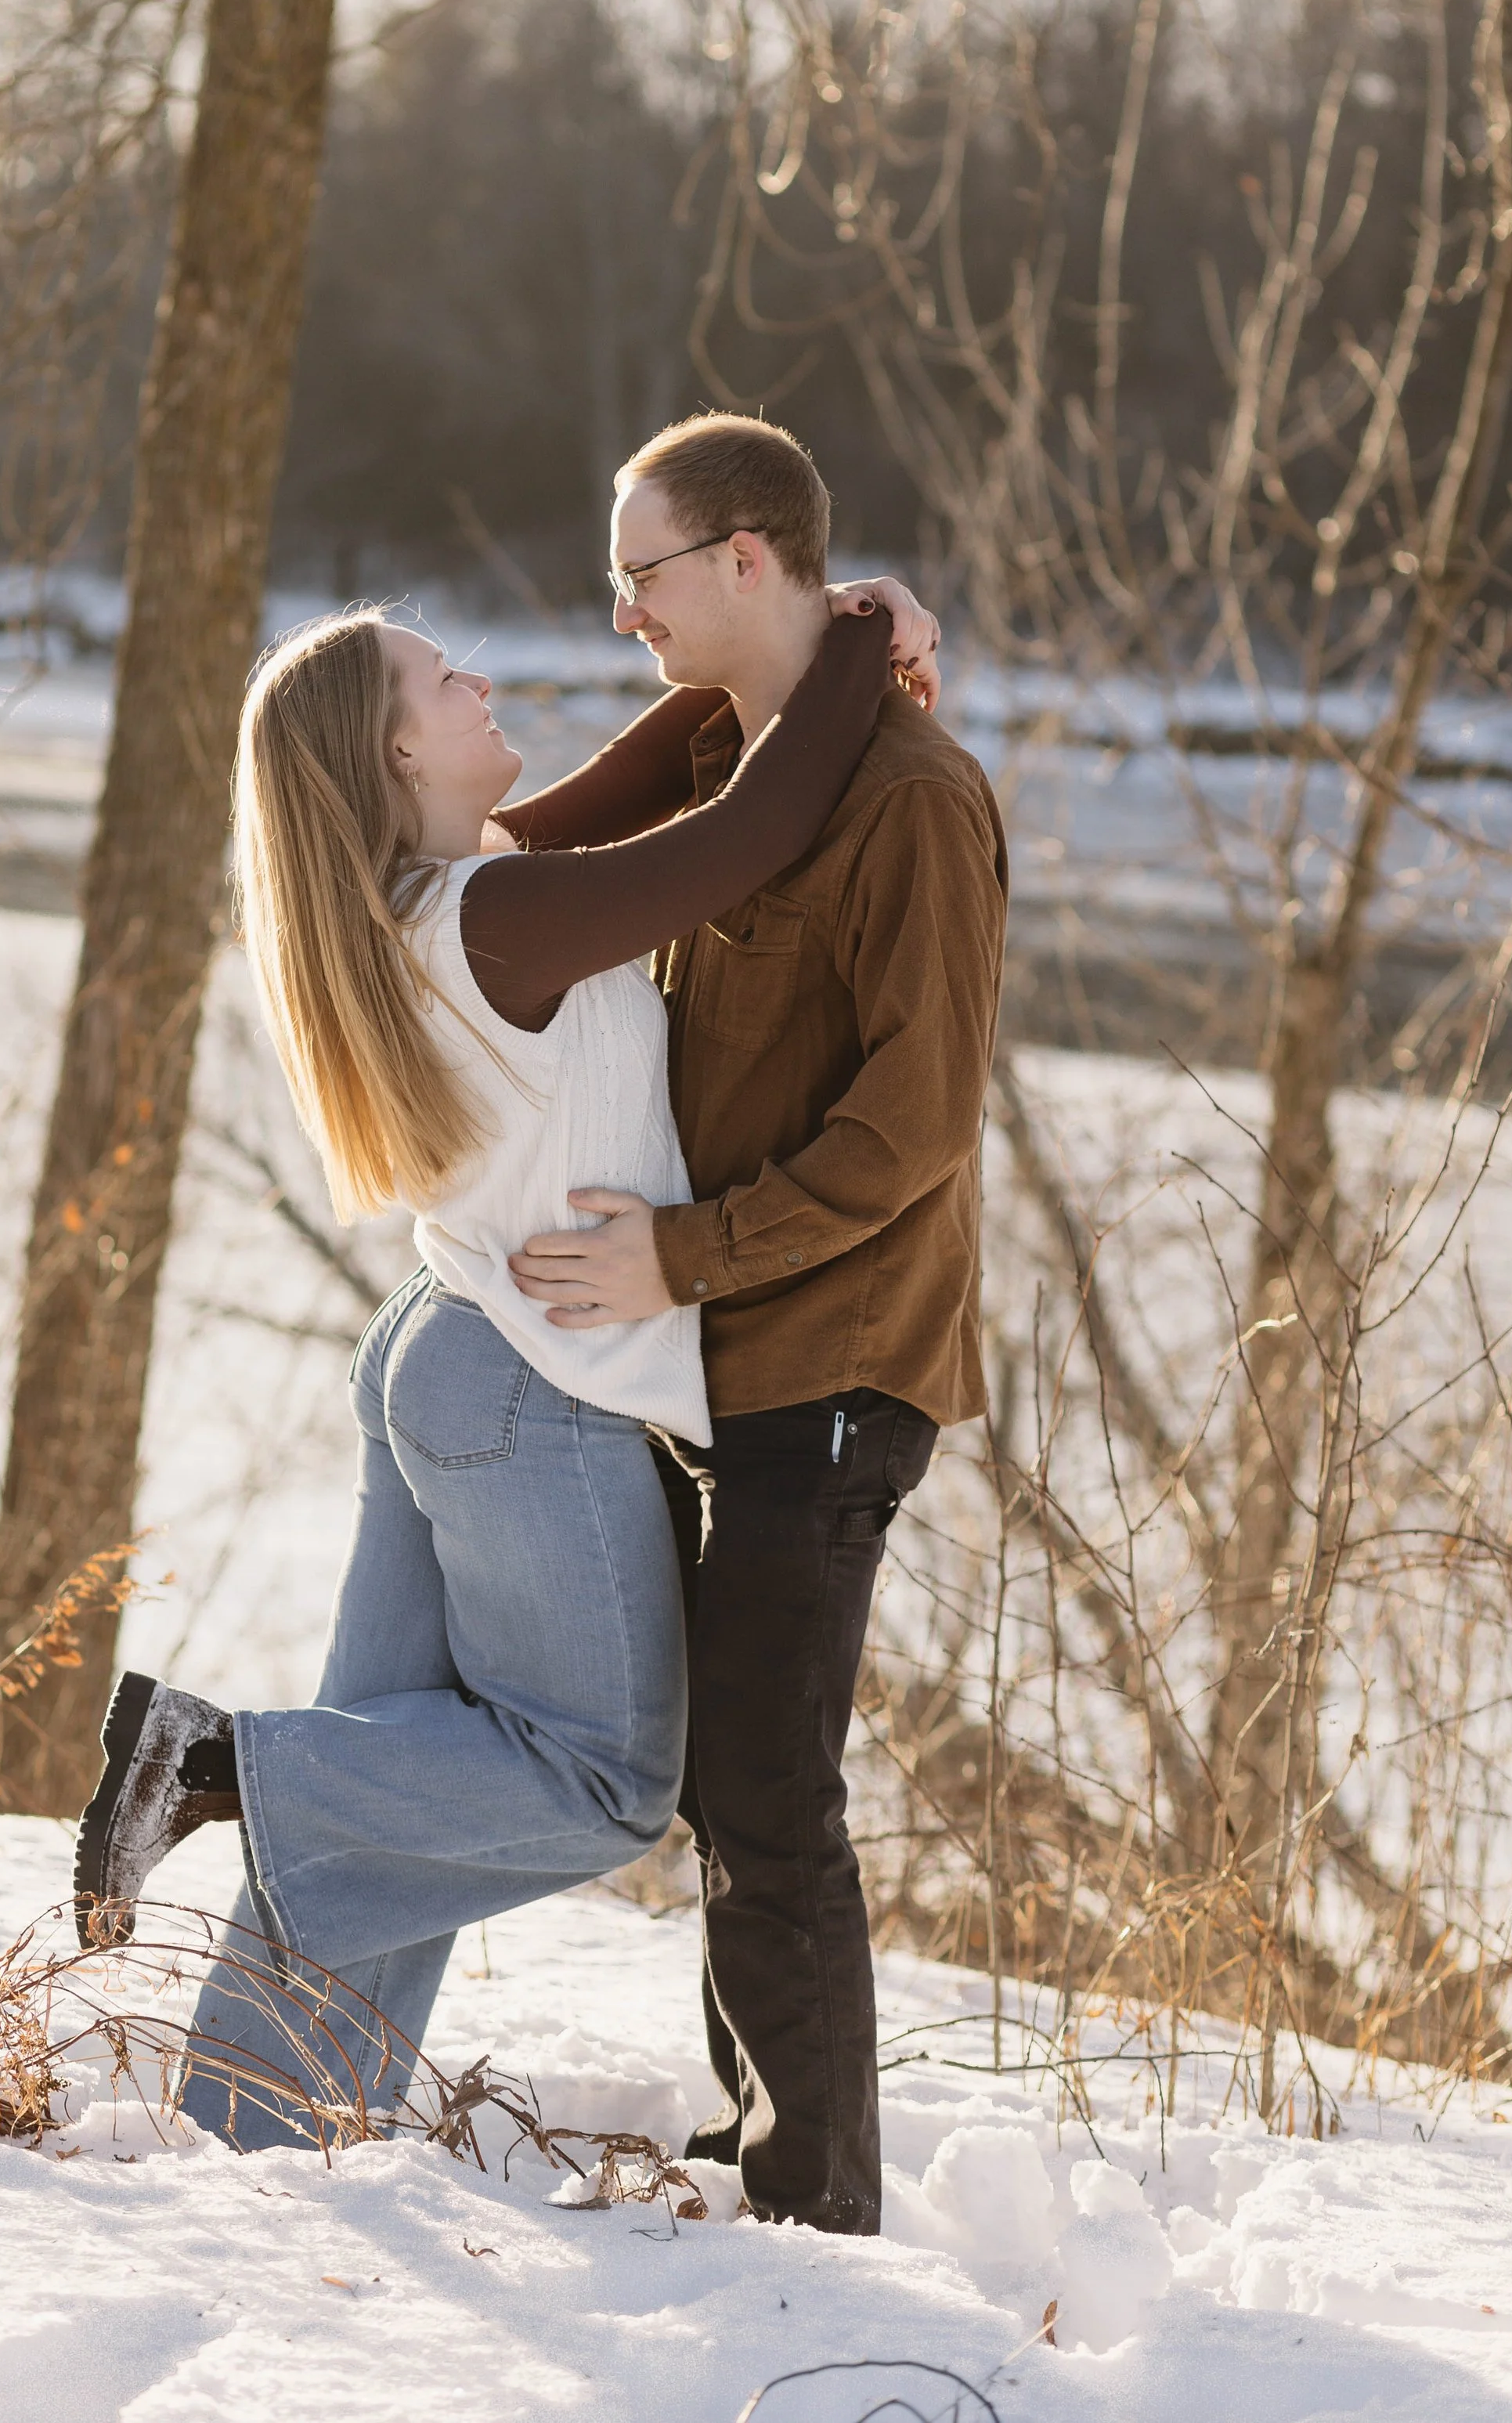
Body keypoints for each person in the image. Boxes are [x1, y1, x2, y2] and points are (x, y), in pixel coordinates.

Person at [69, 566, 941, 2145]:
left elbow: (663, 771)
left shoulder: (440, 900)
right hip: (522, 1393)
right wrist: (863, 641)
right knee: (599, 1780)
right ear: (396, 758)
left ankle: (248, 2128)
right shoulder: (506, 915)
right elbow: (749, 831)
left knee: (387, 1787)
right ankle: (213, 1763)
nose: (482, 690)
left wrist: (800, 644)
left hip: (445, 1361)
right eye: (443, 683)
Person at [507, 413, 1008, 2237]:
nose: (616, 606)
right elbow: (512, 852)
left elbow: (916, 1123)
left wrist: (682, 1257)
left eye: (638, 568)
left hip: (833, 1357)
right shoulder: (734, 763)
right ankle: (761, 2148)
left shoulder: (911, 802)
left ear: (739, 558)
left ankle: (812, 2203)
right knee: (710, 1770)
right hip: (716, 1353)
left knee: (770, 1788)